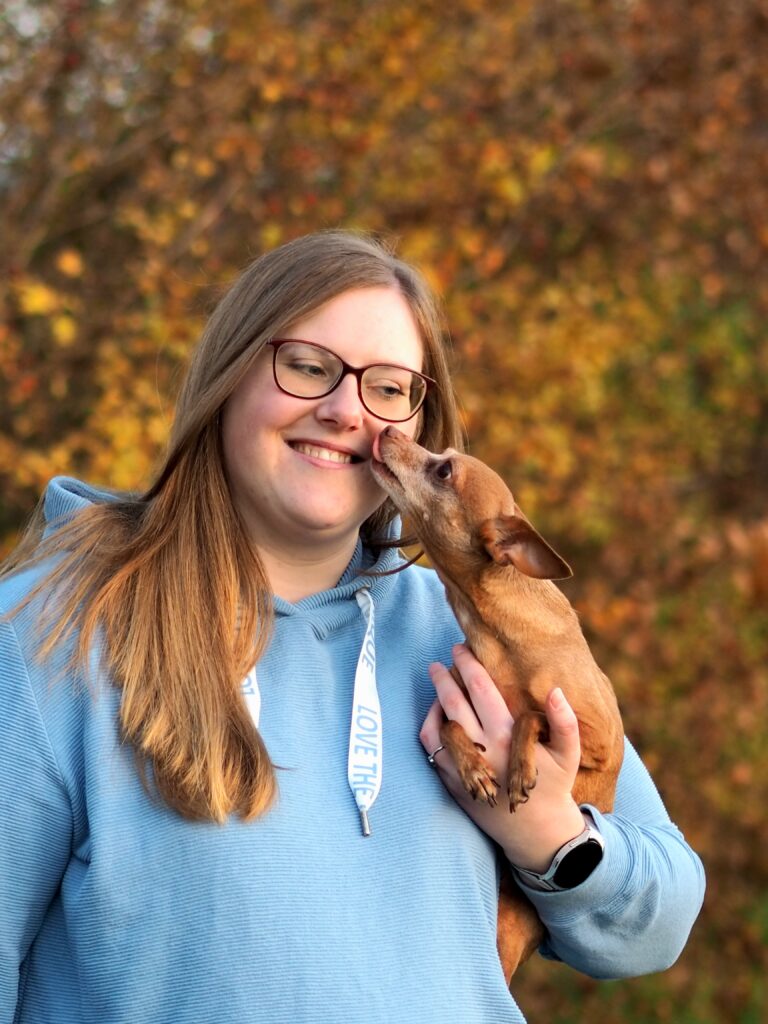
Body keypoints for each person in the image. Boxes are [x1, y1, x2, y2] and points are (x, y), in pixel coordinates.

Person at [0, 230, 704, 1024]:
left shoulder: (475, 641)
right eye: (307, 366)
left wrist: (549, 835)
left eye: (390, 388)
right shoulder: (48, 634)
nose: (345, 411)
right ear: (227, 375)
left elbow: (660, 922)